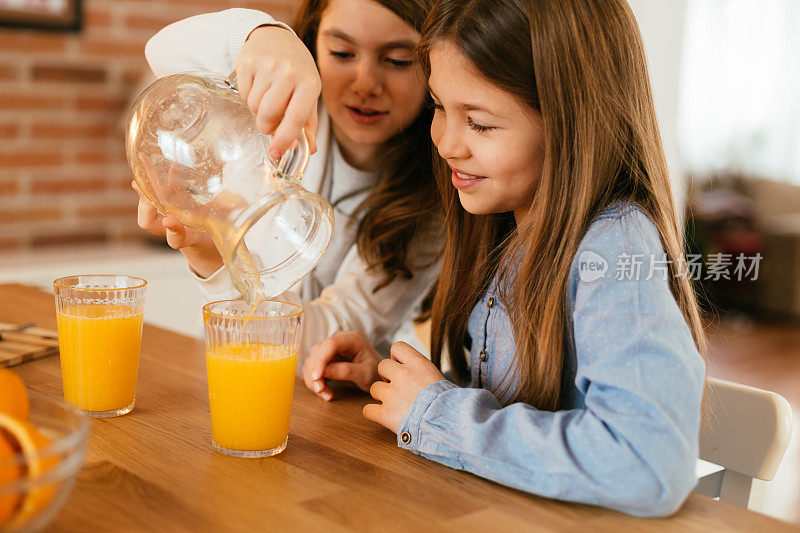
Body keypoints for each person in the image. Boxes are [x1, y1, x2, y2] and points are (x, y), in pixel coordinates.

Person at [303, 0, 708, 517]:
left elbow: (649, 462)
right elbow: (518, 409)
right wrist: (390, 377)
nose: (447, 143)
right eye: (439, 108)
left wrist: (433, 411)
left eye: (480, 124)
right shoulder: (504, 223)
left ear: (570, 124)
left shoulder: (615, 249)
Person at [134, 1, 442, 401]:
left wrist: (214, 258)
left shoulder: (433, 204)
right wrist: (263, 35)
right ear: (313, 45)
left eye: (398, 60)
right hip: (229, 381)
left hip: (329, 412)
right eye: (343, 54)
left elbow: (323, 340)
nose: (366, 83)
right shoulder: (273, 117)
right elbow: (160, 51)